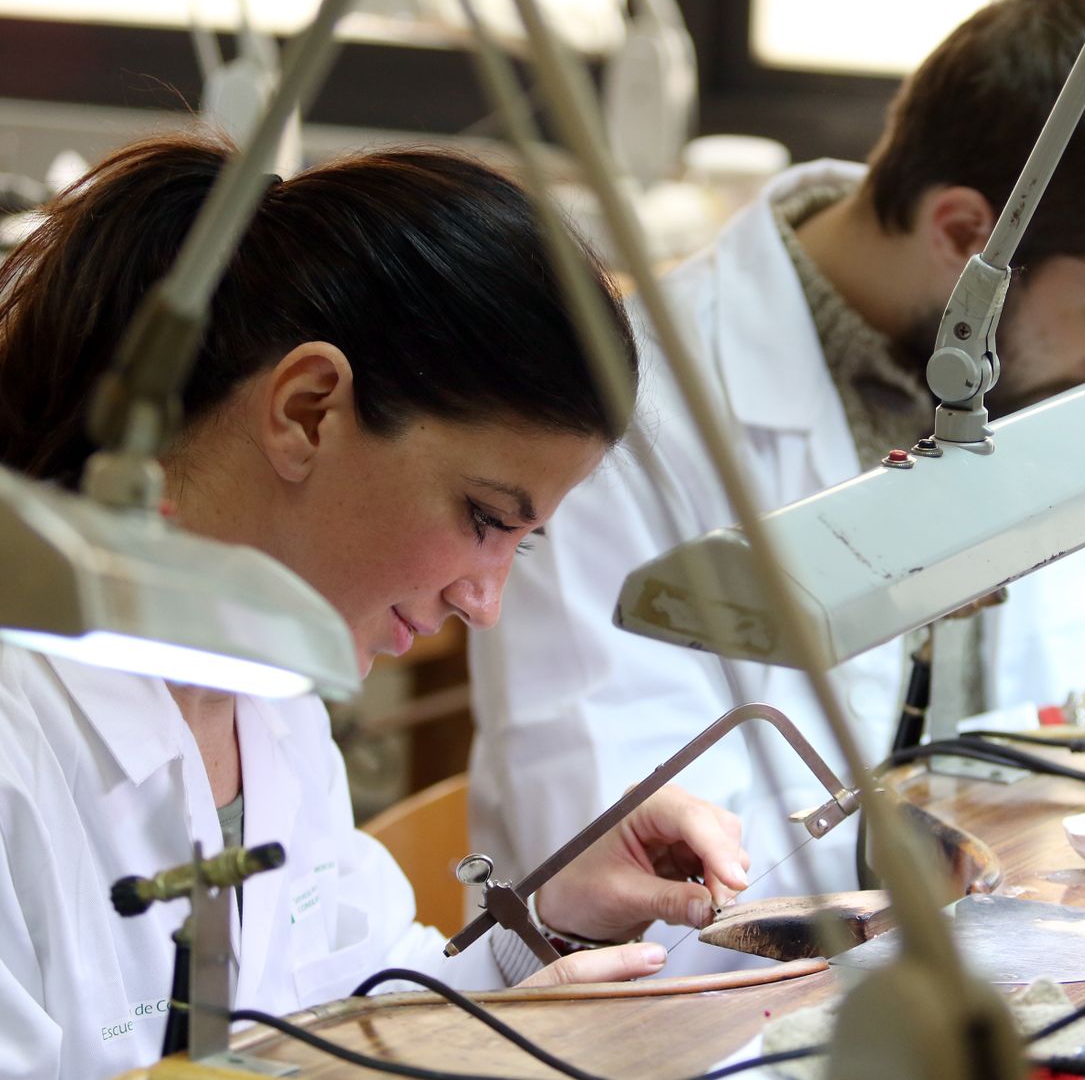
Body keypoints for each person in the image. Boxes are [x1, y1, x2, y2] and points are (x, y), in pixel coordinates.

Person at [468, 0, 1085, 975]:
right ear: (965, 236)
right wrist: (913, 844)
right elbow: (638, 849)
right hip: (705, 1019)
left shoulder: (1033, 365)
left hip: (1002, 954)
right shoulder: (626, 413)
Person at [0, 135, 750, 1080]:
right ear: (309, 409)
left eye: (524, 544)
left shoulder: (267, 695)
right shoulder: (22, 729)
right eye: (484, 517)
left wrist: (545, 927)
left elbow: (354, 1012)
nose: (485, 604)